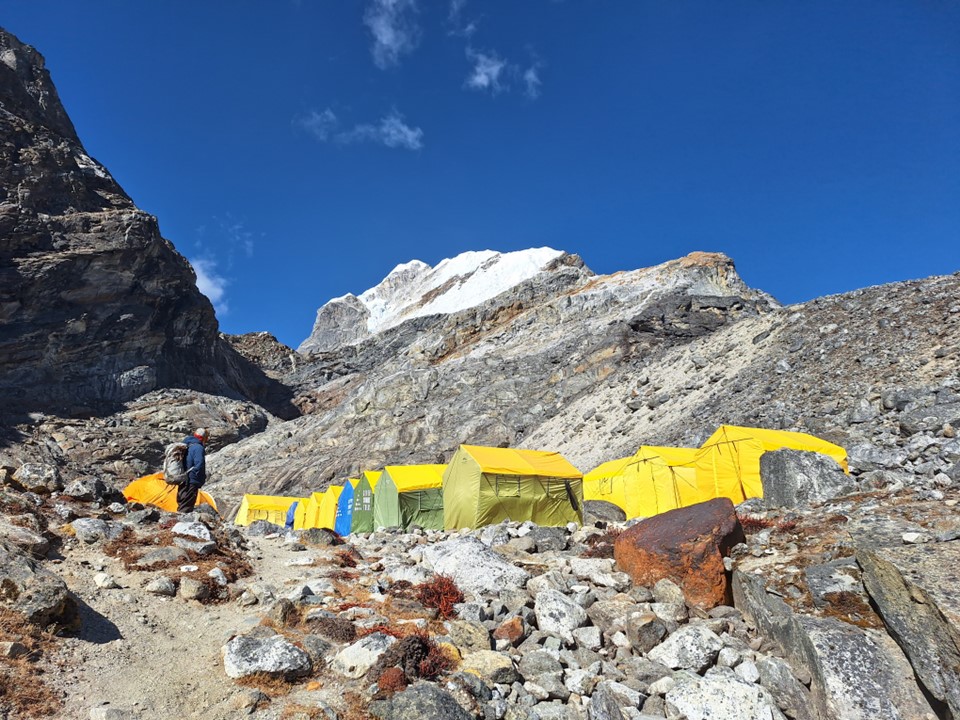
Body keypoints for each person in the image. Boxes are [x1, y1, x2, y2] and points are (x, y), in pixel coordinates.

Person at [176, 428, 208, 513]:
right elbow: (199, 463)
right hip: (192, 479)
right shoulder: (198, 448)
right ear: (203, 438)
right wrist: (199, 477)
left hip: (182, 478)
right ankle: (183, 518)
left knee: (182, 501)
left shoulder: (186, 445)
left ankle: (179, 516)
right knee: (187, 505)